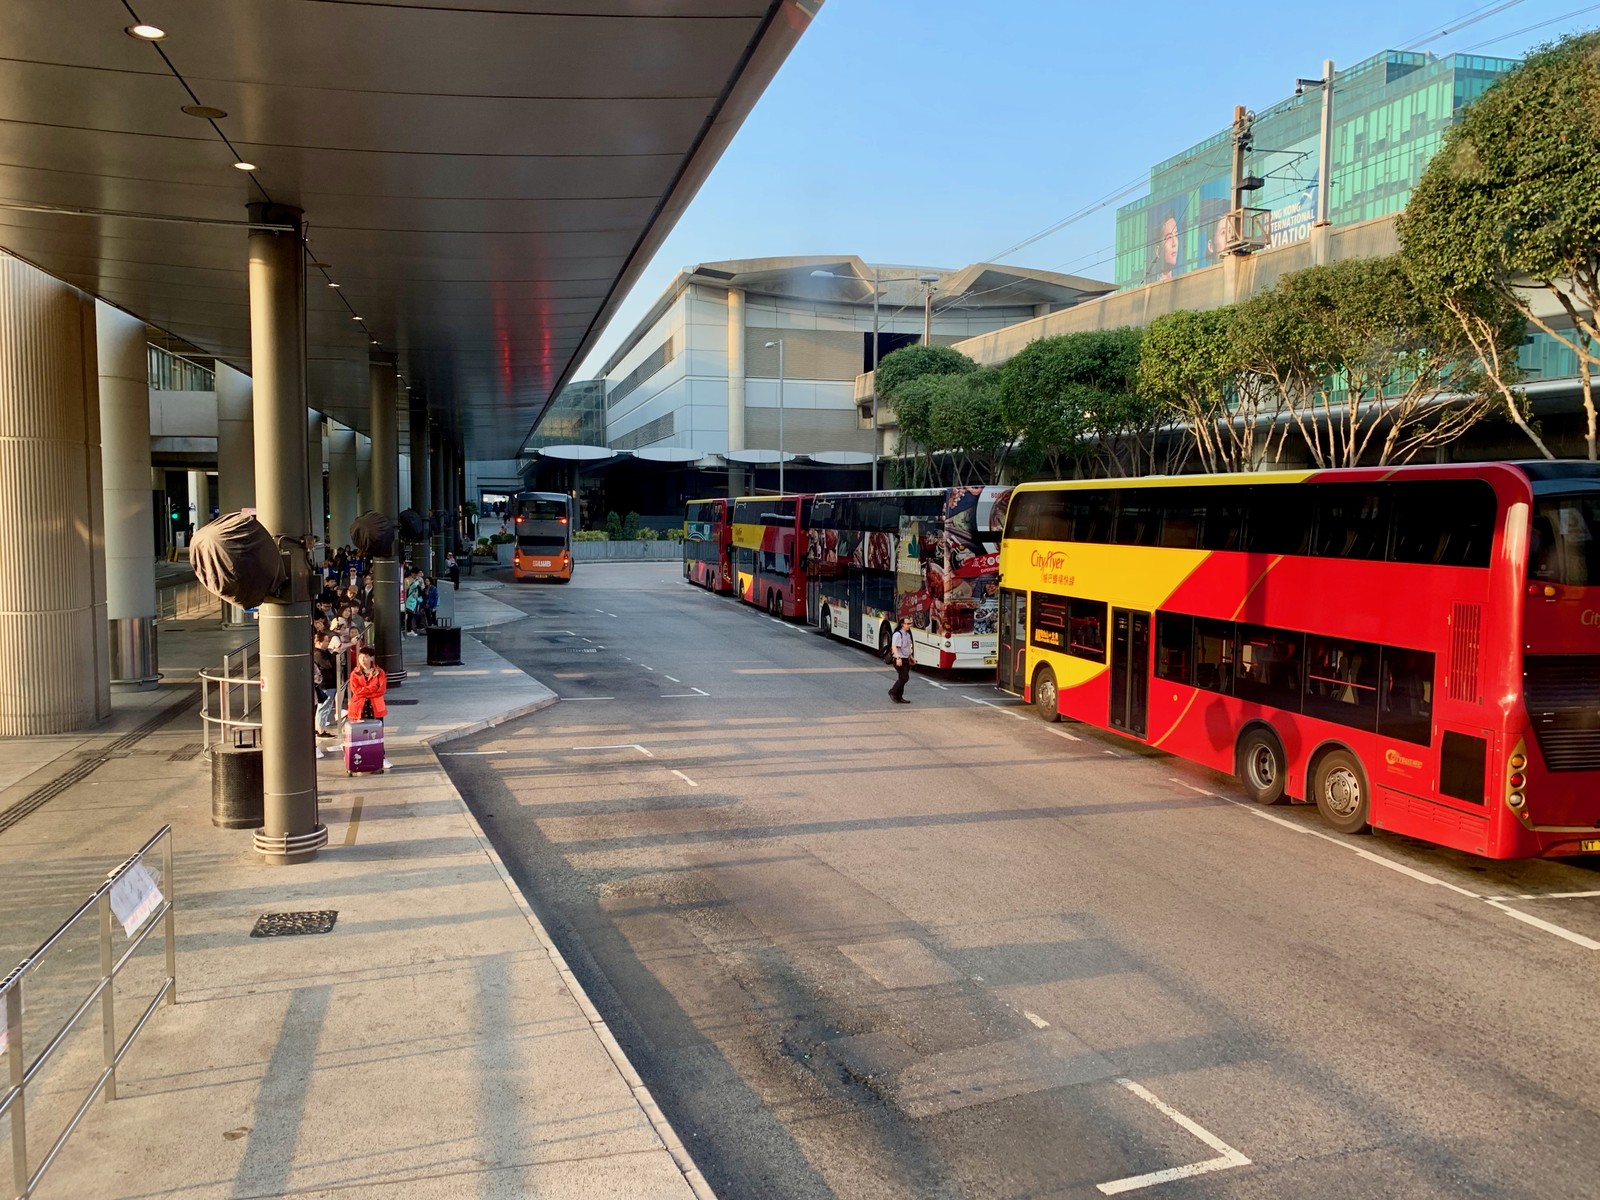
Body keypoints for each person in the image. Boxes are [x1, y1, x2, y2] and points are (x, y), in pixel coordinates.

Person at [347, 645, 392, 770]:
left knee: (377, 734)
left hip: (375, 707)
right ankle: (361, 757)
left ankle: (381, 757)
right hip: (359, 707)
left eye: (366, 657)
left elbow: (381, 690)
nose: (363, 660)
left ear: (371, 658)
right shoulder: (355, 673)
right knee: (360, 735)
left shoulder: (380, 672)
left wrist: (366, 690)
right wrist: (372, 688)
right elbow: (356, 691)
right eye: (361, 657)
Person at [887, 616, 915, 704]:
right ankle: (892, 692)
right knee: (904, 678)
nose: (909, 625)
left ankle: (899, 697)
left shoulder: (907, 635)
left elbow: (907, 647)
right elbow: (894, 647)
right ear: (902, 624)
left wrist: (910, 657)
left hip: (906, 659)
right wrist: (898, 658)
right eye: (907, 624)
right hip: (899, 659)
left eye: (910, 623)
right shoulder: (898, 634)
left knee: (902, 678)